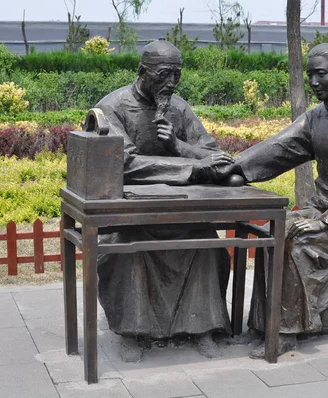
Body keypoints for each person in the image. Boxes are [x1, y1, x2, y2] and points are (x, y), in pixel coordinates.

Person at [222, 43, 328, 358]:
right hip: (322, 209)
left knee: (297, 240)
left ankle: (285, 333)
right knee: (274, 230)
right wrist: (234, 167)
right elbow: (279, 147)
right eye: (310, 74)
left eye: (320, 74)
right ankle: (265, 324)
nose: (313, 81)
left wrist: (323, 222)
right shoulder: (315, 117)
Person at [95, 40, 234, 362]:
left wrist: (178, 146)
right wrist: (191, 168)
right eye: (164, 74)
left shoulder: (179, 108)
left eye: (177, 74)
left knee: (207, 247)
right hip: (133, 214)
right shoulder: (112, 108)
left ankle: (201, 328)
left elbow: (214, 156)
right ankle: (133, 331)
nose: (171, 82)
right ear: (144, 71)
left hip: (181, 210)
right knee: (125, 251)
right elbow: (123, 162)